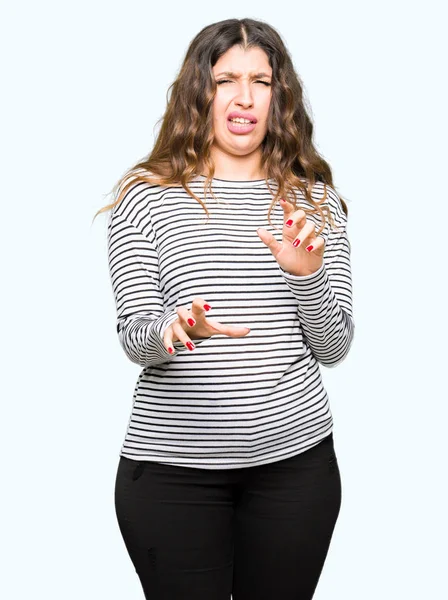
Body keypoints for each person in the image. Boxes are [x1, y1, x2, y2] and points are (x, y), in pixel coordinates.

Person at [95, 17, 355, 600]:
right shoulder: (145, 198)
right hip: (171, 479)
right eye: (226, 80)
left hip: (295, 473)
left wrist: (307, 276)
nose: (244, 97)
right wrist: (177, 329)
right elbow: (134, 338)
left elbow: (334, 348)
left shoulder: (314, 199)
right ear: (200, 92)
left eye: (261, 81)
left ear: (278, 95)